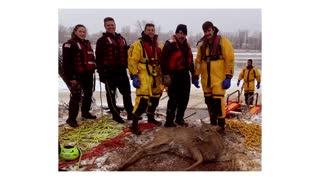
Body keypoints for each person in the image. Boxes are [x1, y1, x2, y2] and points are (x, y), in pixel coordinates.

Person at [194, 21, 235, 133]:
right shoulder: (202, 44)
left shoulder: (223, 42)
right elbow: (198, 61)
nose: (207, 33)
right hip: (206, 79)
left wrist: (228, 76)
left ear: (213, 29)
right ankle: (213, 123)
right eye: (205, 31)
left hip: (218, 79)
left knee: (218, 101)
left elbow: (229, 59)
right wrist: (196, 75)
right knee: (209, 101)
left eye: (209, 30)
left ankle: (221, 126)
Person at [95, 17, 134, 123]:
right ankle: (116, 115)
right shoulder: (101, 41)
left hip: (121, 71)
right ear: (105, 26)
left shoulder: (122, 39)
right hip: (109, 72)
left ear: (115, 25)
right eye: (108, 25)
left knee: (127, 93)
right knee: (111, 95)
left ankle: (130, 113)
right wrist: (101, 74)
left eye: (112, 24)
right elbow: (98, 58)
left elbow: (126, 53)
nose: (111, 27)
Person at [128, 23, 163, 135]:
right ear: (145, 31)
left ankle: (151, 117)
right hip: (143, 73)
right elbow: (132, 61)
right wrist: (134, 75)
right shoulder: (138, 45)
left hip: (155, 74)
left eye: (152, 29)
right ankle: (134, 124)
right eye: (148, 30)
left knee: (156, 97)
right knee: (143, 99)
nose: (151, 32)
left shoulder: (158, 45)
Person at [160, 24, 198, 128]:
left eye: (184, 34)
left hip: (185, 75)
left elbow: (190, 62)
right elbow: (163, 61)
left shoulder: (187, 45)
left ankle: (179, 119)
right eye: (180, 33)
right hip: (173, 75)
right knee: (173, 99)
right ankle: (169, 121)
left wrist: (194, 75)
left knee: (184, 99)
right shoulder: (169, 44)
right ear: (176, 33)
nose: (182, 35)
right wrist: (166, 75)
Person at [62, 24, 97, 127]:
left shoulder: (87, 43)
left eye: (84, 32)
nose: (82, 33)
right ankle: (71, 119)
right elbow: (67, 63)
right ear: (75, 32)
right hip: (76, 75)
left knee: (88, 94)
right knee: (76, 97)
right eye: (80, 31)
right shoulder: (69, 44)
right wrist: (71, 78)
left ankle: (85, 113)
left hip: (88, 74)